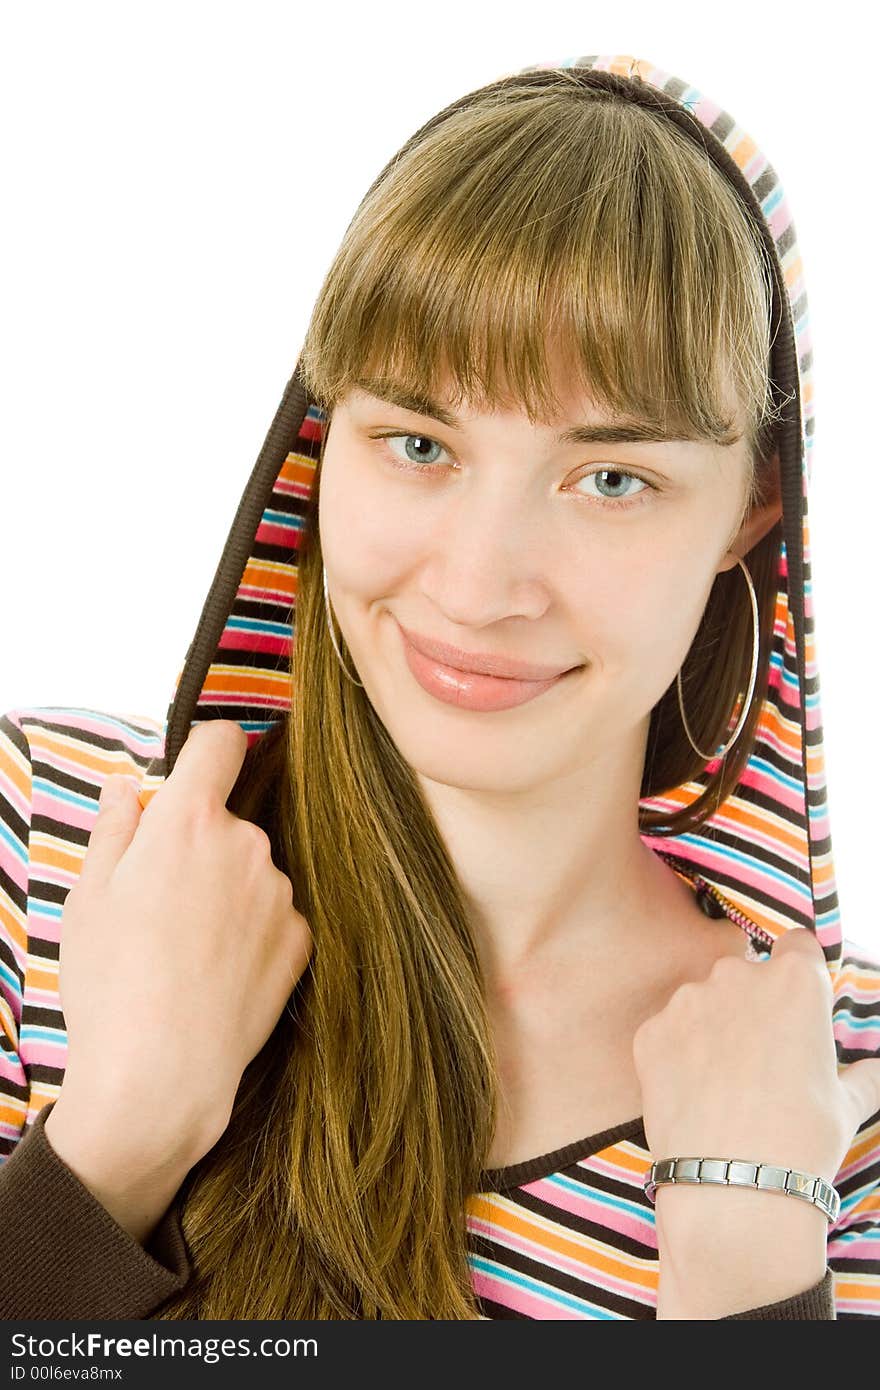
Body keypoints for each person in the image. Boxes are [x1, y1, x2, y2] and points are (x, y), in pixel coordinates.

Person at [1, 51, 879, 1322]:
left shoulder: (831, 1107)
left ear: (751, 515)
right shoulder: (50, 853)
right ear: (322, 442)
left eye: (611, 478)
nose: (478, 586)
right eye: (416, 443)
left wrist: (750, 1290)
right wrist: (120, 1131)